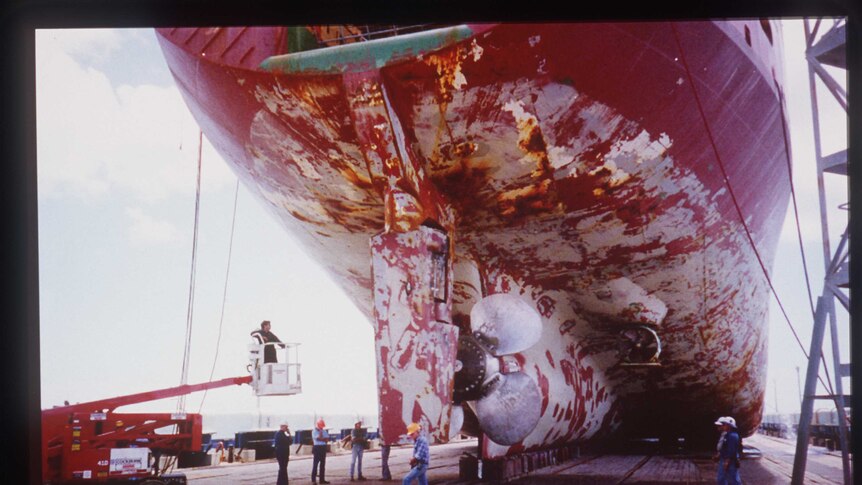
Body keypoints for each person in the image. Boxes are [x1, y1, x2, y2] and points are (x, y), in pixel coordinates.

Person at [714, 416, 742, 485]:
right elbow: (724, 447)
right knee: (722, 478)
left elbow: (731, 450)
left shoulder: (732, 436)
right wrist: (719, 454)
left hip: (730, 461)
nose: (723, 426)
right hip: (725, 459)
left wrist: (727, 461)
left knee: (733, 479)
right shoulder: (727, 435)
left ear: (729, 426)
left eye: (724, 424)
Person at [311, 418, 330, 484]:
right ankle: (313, 480)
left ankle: (322, 479)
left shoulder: (324, 431)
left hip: (323, 447)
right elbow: (318, 438)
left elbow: (327, 439)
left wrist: (322, 438)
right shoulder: (314, 431)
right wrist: (321, 436)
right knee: (315, 464)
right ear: (318, 425)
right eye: (321, 425)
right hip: (317, 447)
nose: (322, 427)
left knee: (322, 464)